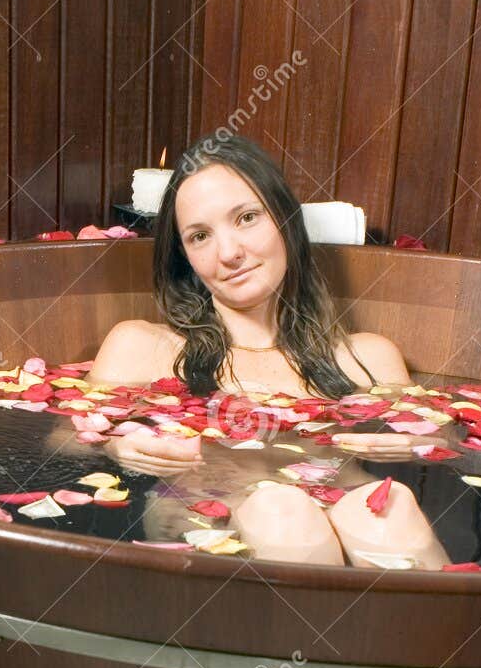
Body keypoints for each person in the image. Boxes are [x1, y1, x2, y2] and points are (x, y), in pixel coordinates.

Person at [88, 134, 448, 568]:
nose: (230, 253)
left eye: (246, 218)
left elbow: (445, 439)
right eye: (200, 236)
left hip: (345, 503)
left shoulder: (367, 358)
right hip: (208, 510)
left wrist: (412, 445)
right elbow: (64, 437)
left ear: (284, 219)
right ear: (184, 257)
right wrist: (114, 444)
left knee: (389, 507)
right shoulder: (145, 346)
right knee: (281, 511)